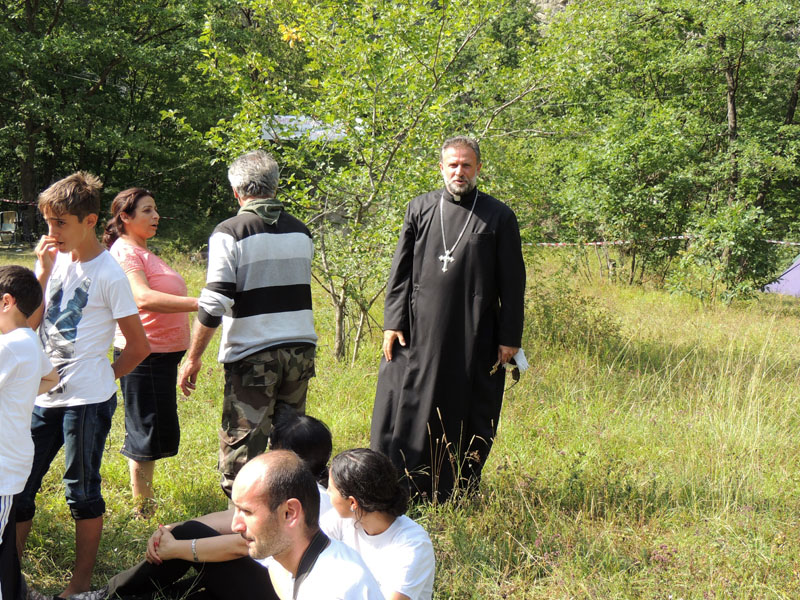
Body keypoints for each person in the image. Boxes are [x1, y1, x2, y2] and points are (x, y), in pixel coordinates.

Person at [17, 172, 150, 599]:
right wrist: (41, 272)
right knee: (20, 482)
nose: (51, 232)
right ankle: (10, 576)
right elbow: (27, 325)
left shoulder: (109, 273)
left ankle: (80, 586)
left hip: (87, 403)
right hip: (44, 397)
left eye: (60, 223)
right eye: (47, 223)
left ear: (90, 220)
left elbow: (139, 345)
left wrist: (103, 380)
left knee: (82, 492)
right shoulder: (56, 262)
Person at [370, 136, 526, 502]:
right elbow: (401, 272)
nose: (459, 171)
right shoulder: (420, 208)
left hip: (472, 333)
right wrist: (392, 322)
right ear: (441, 167)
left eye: (466, 165)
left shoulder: (499, 216)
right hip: (417, 331)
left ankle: (453, 489)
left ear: (478, 169)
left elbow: (513, 282)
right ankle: (397, 484)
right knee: (403, 403)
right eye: (453, 165)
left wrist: (510, 336)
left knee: (466, 409)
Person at [66, 414, 335, 600]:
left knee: (193, 540)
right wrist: (172, 528)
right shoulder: (312, 491)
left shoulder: (298, 499)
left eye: (270, 447)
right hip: (268, 584)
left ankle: (106, 593)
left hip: (279, 590)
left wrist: (179, 545)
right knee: (192, 587)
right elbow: (232, 518)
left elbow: (242, 545)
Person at [178, 149, 317, 498]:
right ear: (276, 186)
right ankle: (288, 519)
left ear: (236, 192)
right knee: (290, 446)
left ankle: (243, 533)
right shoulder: (301, 231)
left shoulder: (230, 232)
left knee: (243, 454)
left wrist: (192, 357)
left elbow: (216, 301)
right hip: (300, 352)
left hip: (254, 355)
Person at [103, 188, 198, 512]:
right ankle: (142, 507)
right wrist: (200, 303)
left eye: (155, 210)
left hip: (161, 356)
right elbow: (141, 297)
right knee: (144, 428)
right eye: (147, 211)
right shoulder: (126, 252)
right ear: (125, 218)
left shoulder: (143, 251)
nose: (155, 216)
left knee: (155, 427)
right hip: (144, 355)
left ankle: (145, 501)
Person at [233, 451, 383, 600]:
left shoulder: (330, 588)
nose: (235, 526)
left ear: (289, 513)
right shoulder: (290, 561)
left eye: (247, 512)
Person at [0, 266, 58, 600]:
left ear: (6, 301)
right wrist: (18, 393)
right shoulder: (28, 341)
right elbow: (52, 379)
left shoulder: (9, 347)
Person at [322, 449, 435, 600]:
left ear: (352, 502)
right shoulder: (341, 520)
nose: (327, 492)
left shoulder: (413, 545)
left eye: (330, 489)